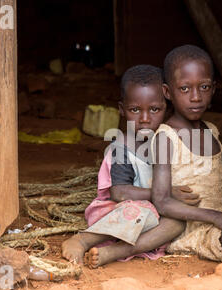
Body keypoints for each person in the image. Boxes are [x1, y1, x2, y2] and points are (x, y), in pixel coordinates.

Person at [62, 64, 199, 268]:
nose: (144, 119)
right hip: (117, 214)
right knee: (139, 211)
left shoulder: (166, 141)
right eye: (135, 110)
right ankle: (83, 240)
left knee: (177, 222)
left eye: (154, 109)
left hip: (151, 216)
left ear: (167, 109)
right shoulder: (122, 148)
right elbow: (120, 192)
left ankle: (117, 251)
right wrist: (166, 193)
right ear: (121, 110)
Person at [151, 45, 222, 262]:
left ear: (213, 89)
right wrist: (214, 217)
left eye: (203, 87)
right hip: (197, 229)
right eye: (184, 89)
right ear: (167, 92)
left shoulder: (211, 130)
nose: (195, 97)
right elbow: (162, 201)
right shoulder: (166, 137)